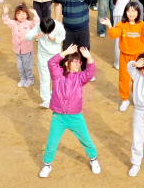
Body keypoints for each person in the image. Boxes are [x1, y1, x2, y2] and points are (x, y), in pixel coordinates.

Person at [38, 44, 101, 177]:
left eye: (80, 62)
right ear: (67, 63)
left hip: (75, 117)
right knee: (52, 143)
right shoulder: (57, 75)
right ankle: (47, 164)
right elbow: (51, 63)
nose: (78, 64)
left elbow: (90, 73)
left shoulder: (80, 78)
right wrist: (65, 52)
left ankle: (93, 159)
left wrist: (89, 58)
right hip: (58, 117)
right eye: (75, 61)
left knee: (85, 139)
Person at [102, 3, 144, 112]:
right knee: (124, 79)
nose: (131, 14)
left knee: (137, 79)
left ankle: (137, 98)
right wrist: (109, 25)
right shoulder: (121, 24)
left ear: (138, 12)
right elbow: (114, 34)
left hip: (138, 58)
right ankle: (125, 99)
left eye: (134, 11)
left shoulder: (142, 25)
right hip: (124, 57)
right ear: (125, 12)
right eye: (129, 11)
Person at [56, 0, 96, 74]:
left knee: (84, 51)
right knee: (68, 52)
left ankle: (86, 71)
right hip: (68, 31)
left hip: (83, 30)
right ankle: (68, 71)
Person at [25, 16, 66, 108]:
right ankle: (46, 100)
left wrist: (55, 40)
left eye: (49, 32)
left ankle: (56, 94)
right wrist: (35, 36)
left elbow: (62, 36)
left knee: (57, 77)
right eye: (45, 32)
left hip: (55, 55)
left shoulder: (59, 26)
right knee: (44, 77)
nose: (47, 34)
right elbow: (27, 36)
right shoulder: (39, 26)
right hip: (43, 55)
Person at [2, 3, 40, 88]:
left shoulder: (29, 24)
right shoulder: (14, 23)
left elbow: (36, 24)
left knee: (27, 66)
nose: (21, 16)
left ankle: (30, 79)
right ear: (16, 16)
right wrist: (5, 13)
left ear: (27, 15)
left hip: (27, 49)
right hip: (17, 49)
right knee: (20, 66)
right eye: (19, 14)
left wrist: (35, 14)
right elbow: (6, 21)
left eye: (23, 14)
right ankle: (22, 78)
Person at [111, 0, 142, 68]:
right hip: (120, 15)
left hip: (123, 14)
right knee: (119, 39)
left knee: (125, 38)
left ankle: (122, 60)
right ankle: (117, 62)